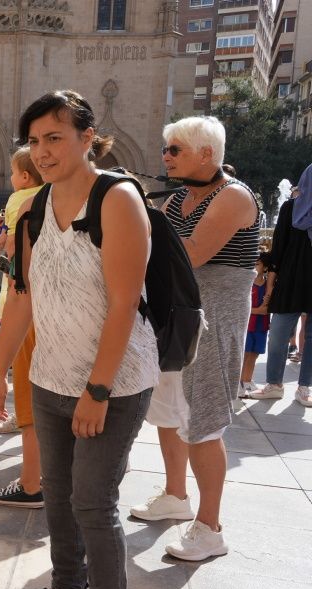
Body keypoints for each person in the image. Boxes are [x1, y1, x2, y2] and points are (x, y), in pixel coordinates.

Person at [0, 90, 159, 589]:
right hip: (49, 376)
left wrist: (99, 390)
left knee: (92, 501)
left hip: (113, 381)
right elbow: (23, 297)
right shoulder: (33, 206)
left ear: (88, 136)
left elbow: (124, 303)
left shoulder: (117, 199)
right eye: (34, 142)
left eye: (54, 138)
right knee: (57, 494)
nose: (42, 151)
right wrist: (0, 368)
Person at [130, 116, 260, 563]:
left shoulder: (234, 197)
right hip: (178, 316)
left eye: (175, 149)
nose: (165, 156)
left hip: (215, 321)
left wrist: (139, 224)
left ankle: (209, 527)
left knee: (203, 422)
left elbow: (187, 256)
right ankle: (175, 495)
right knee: (167, 409)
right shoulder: (180, 197)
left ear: (206, 154)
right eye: (166, 149)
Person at [0, 145, 44, 507]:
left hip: (32, 314)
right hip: (51, 318)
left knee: (32, 400)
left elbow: (20, 282)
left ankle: (32, 483)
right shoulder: (51, 201)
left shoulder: (23, 203)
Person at [248, 165, 312, 406]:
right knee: (278, 333)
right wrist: (271, 284)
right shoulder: (290, 208)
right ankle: (274, 383)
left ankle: (304, 387)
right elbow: (279, 248)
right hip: (290, 280)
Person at [238, 253, 273, 398]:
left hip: (262, 326)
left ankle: (247, 380)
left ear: (265, 267)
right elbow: (242, 307)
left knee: (254, 355)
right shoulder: (247, 283)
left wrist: (262, 309)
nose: (254, 266)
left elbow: (267, 309)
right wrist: (258, 310)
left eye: (257, 264)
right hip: (248, 325)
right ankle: (239, 383)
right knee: (245, 355)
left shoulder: (268, 285)